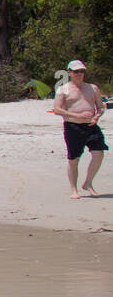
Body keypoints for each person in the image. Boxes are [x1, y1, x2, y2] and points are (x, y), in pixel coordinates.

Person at [53, 60, 106, 198]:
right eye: (76, 71)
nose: (79, 74)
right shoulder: (63, 89)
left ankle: (88, 183)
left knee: (99, 153)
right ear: (69, 72)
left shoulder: (92, 88)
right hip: (73, 127)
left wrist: (97, 116)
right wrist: (76, 115)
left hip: (91, 126)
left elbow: (101, 107)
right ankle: (73, 189)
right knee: (74, 159)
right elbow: (57, 110)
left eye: (82, 71)